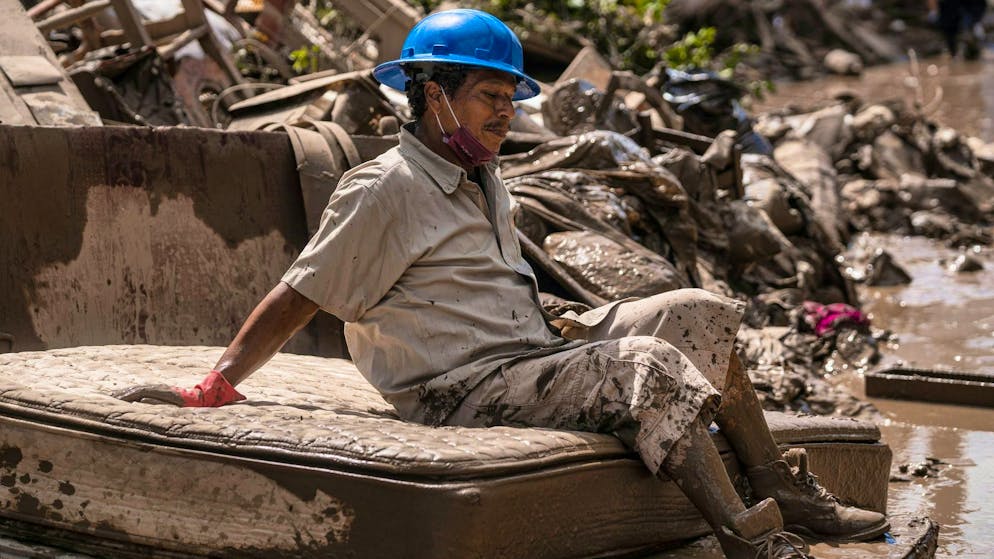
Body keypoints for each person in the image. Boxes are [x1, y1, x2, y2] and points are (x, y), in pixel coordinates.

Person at [114, 9, 888, 558]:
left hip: (525, 354)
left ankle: (778, 485)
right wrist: (215, 384)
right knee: (643, 367)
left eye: (512, 97)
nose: (508, 113)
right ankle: (748, 539)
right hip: (457, 389)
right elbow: (301, 290)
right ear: (433, 94)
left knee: (701, 314)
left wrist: (558, 317)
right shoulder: (384, 187)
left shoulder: (482, 176)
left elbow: (486, 281)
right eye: (492, 96)